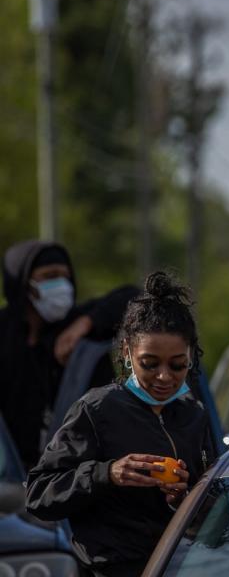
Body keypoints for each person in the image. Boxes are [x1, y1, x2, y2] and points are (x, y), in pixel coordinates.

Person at [26, 271, 215, 577]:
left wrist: (184, 498)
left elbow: (220, 514)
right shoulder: (97, 410)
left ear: (191, 355)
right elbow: (39, 494)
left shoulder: (194, 414)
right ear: (127, 352)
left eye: (177, 364)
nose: (165, 377)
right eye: (150, 364)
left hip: (180, 568)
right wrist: (106, 473)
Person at [0, 240, 138, 468]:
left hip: (67, 472)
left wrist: (85, 323)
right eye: (50, 275)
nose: (61, 284)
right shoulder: (5, 332)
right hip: (9, 477)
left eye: (65, 276)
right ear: (24, 282)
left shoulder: (75, 322)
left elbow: (135, 297)